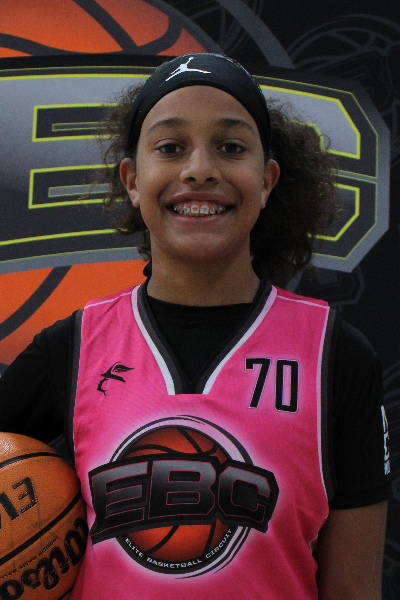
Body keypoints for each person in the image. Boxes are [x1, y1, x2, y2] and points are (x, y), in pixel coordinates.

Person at [0, 53, 390, 599]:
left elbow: (354, 589)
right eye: (170, 147)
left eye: (231, 147)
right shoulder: (73, 348)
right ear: (133, 181)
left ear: (267, 179)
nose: (199, 169)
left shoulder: (335, 356)